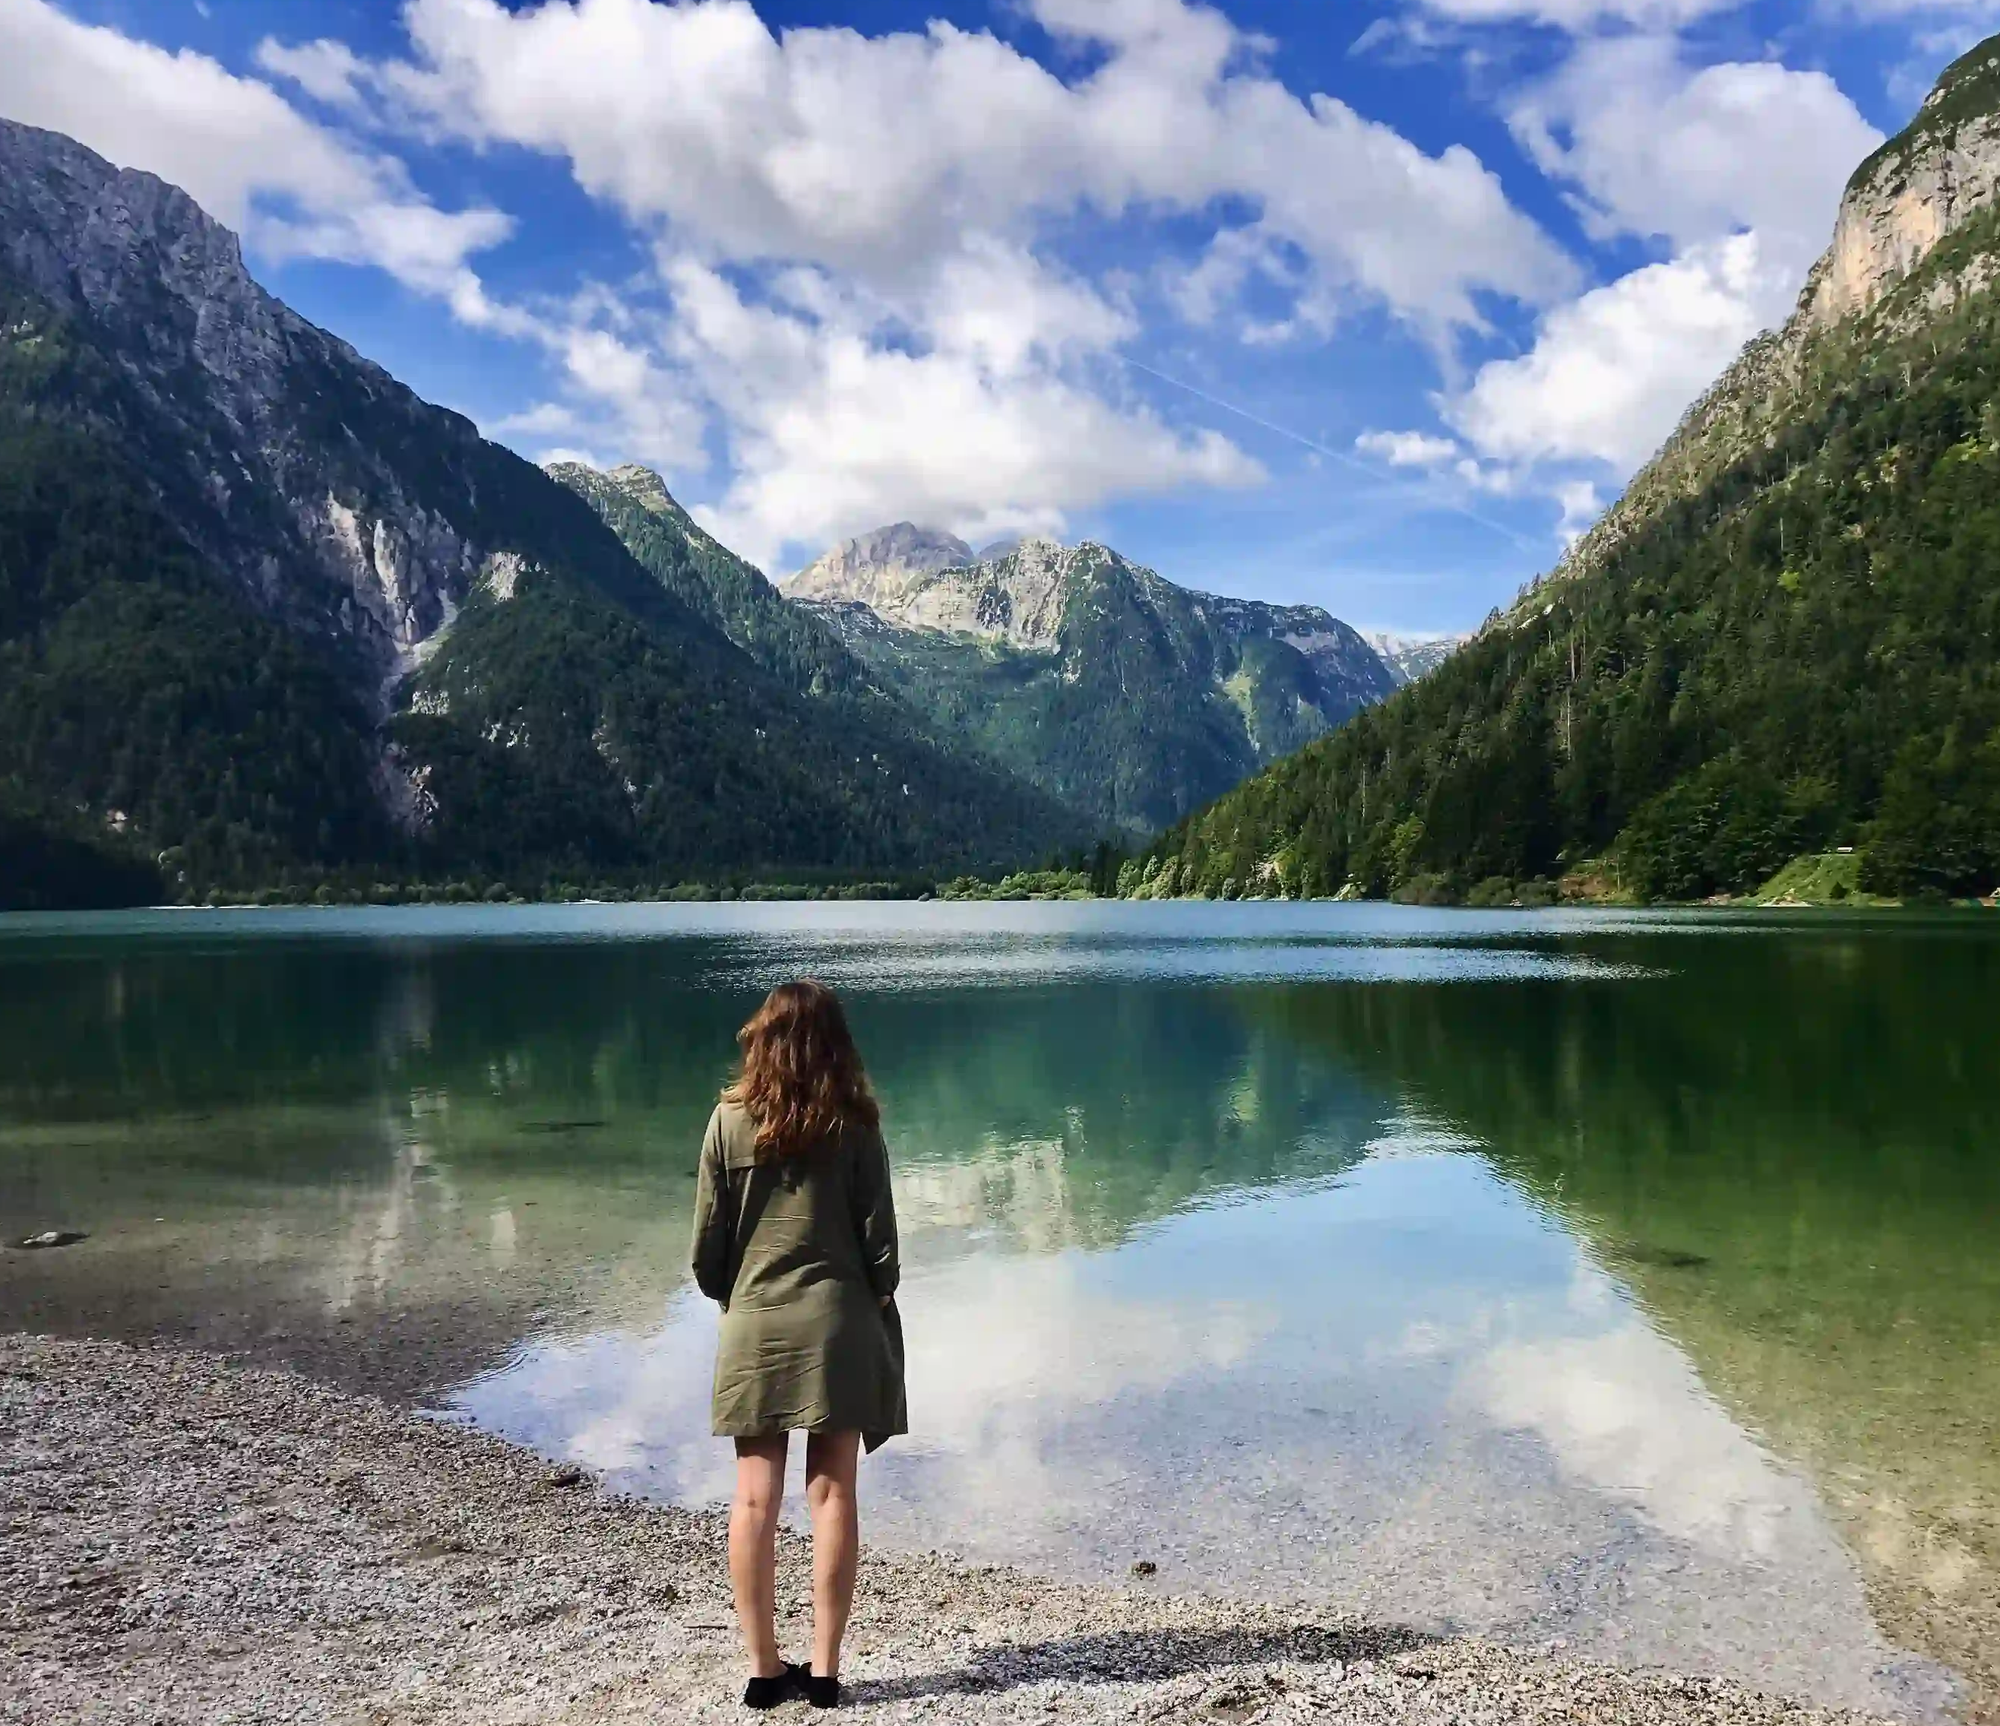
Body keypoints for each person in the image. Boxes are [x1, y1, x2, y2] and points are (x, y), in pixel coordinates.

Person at [691, 979, 906, 1711]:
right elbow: (883, 1249)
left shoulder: (726, 1123)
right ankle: (822, 1671)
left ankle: (761, 1670)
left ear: (761, 1040)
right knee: (832, 1490)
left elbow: (706, 1252)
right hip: (837, 1323)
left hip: (755, 1324)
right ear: (835, 1044)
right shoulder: (856, 1123)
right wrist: (875, 1297)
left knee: (753, 1499)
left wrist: (739, 1297)